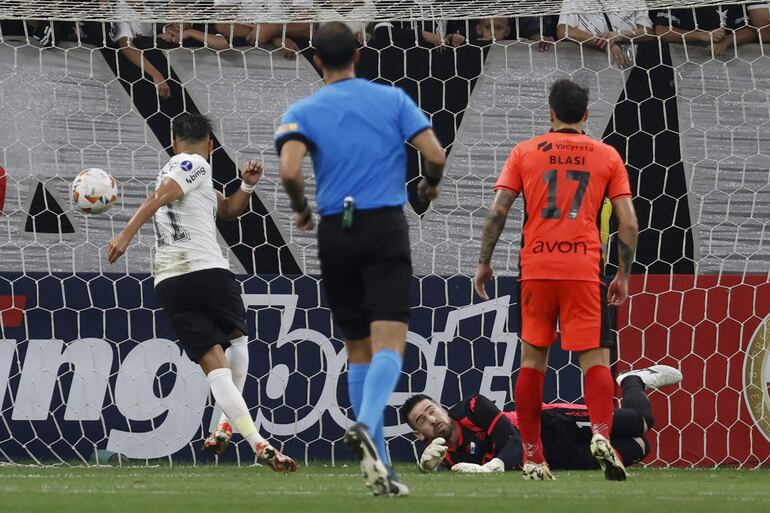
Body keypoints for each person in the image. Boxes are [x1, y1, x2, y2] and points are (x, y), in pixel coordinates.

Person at [275, 21, 446, 496]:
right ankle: (369, 424)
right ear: (360, 52)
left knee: (357, 349)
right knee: (391, 343)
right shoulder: (390, 100)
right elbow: (435, 152)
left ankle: (382, 471)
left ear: (315, 60)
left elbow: (289, 169)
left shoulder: (303, 110)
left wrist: (301, 208)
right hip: (384, 225)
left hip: (337, 230)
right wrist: (430, 183)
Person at [107, 113, 298, 473]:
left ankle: (247, 438)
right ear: (210, 145)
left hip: (170, 282)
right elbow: (162, 197)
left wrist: (248, 186)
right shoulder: (190, 163)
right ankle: (228, 427)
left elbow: (226, 211)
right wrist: (125, 234)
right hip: (206, 270)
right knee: (238, 342)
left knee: (214, 364)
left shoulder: (188, 175)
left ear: (173, 138)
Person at [472, 78, 639, 481]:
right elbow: (629, 222)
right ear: (586, 115)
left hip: (536, 269)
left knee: (532, 361)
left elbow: (498, 211)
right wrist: (622, 274)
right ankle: (601, 433)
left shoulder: (525, 152)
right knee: (595, 358)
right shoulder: (607, 156)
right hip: (584, 270)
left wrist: (484, 262)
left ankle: (532, 456)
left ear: (550, 113)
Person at [403, 365, 682, 473]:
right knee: (642, 446)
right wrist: (425, 467)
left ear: (442, 406)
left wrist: (492, 467)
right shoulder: (444, 459)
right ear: (420, 434)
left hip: (553, 425)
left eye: (432, 409)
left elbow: (513, 440)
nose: (432, 419)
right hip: (558, 459)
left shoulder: (472, 407)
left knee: (642, 420)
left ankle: (631, 380)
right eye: (422, 421)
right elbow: (435, 472)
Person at [557, 0, 654, 68]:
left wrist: (619, 35)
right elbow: (563, 31)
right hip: (587, 66)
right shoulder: (573, 1)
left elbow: (648, 32)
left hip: (632, 68)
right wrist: (605, 42)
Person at [654, 4, 758, 56]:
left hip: (731, 65)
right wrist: (701, 35)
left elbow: (750, 31)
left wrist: (727, 41)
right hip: (684, 63)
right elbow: (661, 31)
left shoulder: (730, 2)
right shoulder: (679, 2)